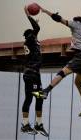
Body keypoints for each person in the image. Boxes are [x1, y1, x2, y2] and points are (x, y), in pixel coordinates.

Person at [33, 7, 81, 117]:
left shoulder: (74, 24)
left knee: (62, 73)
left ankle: (46, 91)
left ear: (76, 21)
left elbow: (58, 18)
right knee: (78, 83)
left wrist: (45, 11)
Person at [20, 6, 48, 137]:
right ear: (30, 35)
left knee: (39, 98)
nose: (35, 33)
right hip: (31, 74)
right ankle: (25, 125)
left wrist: (35, 23)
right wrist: (28, 16)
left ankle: (38, 124)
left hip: (34, 74)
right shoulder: (30, 39)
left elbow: (36, 29)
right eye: (33, 32)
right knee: (30, 98)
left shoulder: (31, 41)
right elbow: (37, 29)